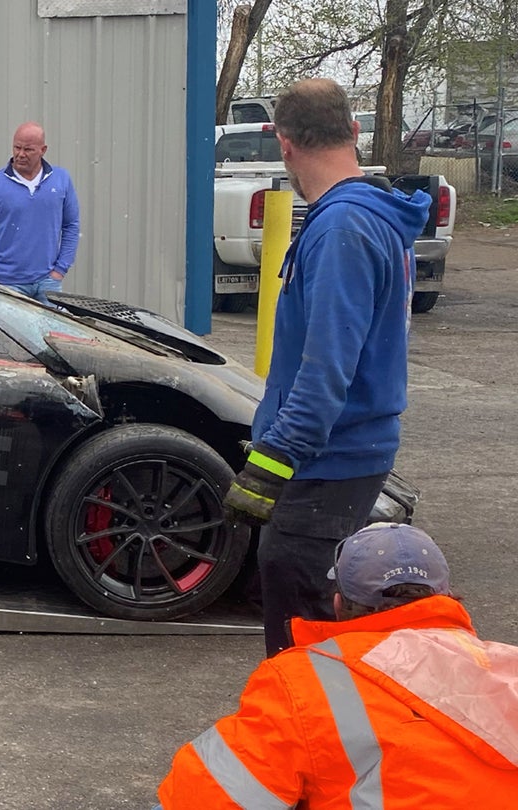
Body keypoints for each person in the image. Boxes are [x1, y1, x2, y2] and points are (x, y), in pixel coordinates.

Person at [221, 78, 431, 657]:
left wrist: (270, 464)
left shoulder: (342, 229)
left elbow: (326, 373)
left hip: (328, 459)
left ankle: (310, 739)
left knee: (300, 625)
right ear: (355, 131)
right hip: (343, 454)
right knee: (301, 604)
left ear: (284, 145)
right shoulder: (364, 217)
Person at [155, 523, 518, 807]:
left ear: (339, 604)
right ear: (446, 596)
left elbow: (208, 797)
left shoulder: (303, 682)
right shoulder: (510, 667)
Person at [0, 122, 80, 307]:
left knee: (50, 333)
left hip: (48, 283)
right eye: (17, 147)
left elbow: (71, 226)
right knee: (6, 335)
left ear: (43, 150)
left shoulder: (61, 181)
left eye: (28, 149)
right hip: (8, 284)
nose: (20, 154)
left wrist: (61, 268)